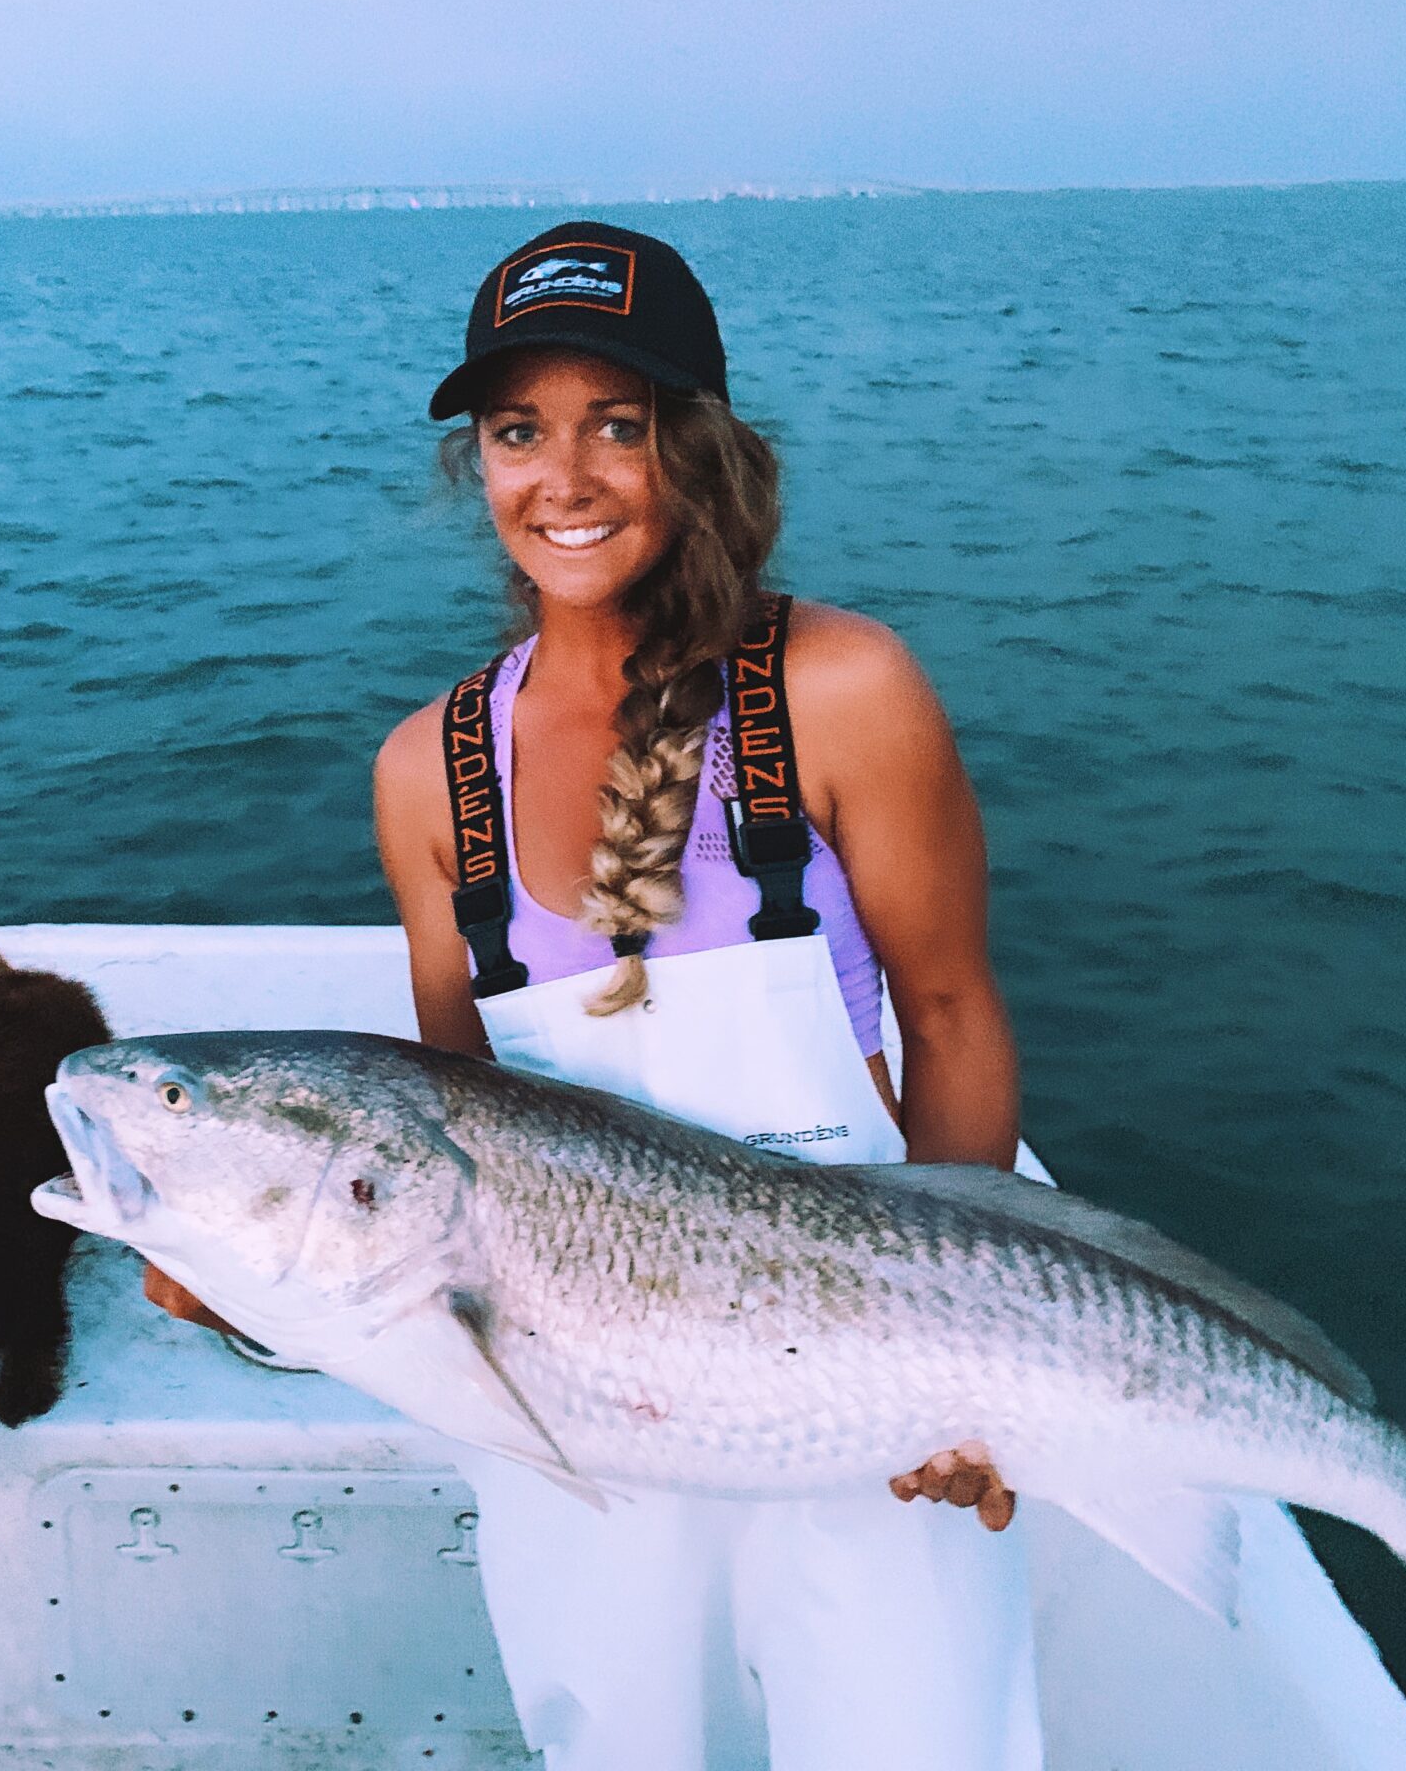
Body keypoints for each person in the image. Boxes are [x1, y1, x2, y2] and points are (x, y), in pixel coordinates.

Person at [357, 220, 1046, 1771]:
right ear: (478, 465)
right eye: (519, 432)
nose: (566, 479)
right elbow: (451, 1131)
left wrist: (965, 1367)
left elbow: (949, 1017)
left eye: (620, 424)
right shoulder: (424, 773)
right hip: (578, 1406)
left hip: (869, 1369)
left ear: (702, 445)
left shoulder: (841, 690)